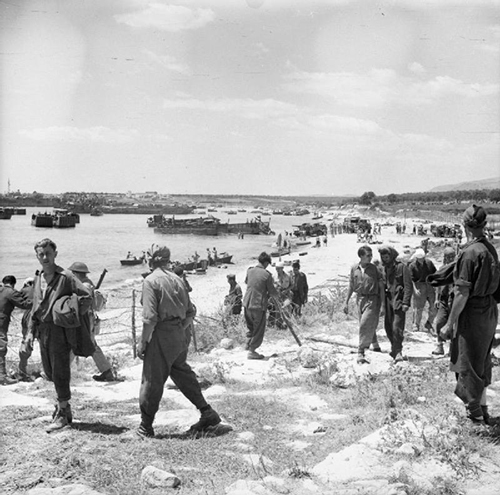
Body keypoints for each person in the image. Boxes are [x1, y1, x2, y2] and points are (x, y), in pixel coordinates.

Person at [137, 246, 221, 438]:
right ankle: (207, 411)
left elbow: (150, 318)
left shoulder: (150, 281)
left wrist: (143, 342)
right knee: (182, 373)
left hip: (161, 333)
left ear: (151, 261)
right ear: (168, 260)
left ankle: (145, 427)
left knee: (152, 380)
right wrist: (179, 330)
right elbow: (191, 312)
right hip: (179, 333)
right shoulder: (177, 279)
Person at [439, 205, 499, 425]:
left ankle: (475, 418)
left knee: (467, 365)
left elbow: (462, 293)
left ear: (464, 225)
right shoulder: (488, 248)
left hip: (472, 313)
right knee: (481, 362)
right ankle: (482, 411)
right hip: (489, 311)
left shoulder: (469, 253)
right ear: (483, 225)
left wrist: (450, 324)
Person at [29, 238, 92, 432]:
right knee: (49, 371)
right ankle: (63, 407)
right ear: (37, 256)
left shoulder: (66, 276)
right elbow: (35, 305)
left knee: (60, 371)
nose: (45, 257)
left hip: (59, 330)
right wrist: (30, 332)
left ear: (55, 254)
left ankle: (63, 413)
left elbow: (86, 297)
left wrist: (67, 312)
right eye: (41, 254)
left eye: (48, 253)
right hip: (43, 330)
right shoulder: (39, 276)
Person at [69, 262, 117, 382]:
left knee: (88, 345)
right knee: (76, 344)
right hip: (86, 318)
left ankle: (107, 372)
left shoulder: (84, 285)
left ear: (76, 273)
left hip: (85, 319)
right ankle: (60, 371)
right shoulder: (87, 284)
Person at [344, 246, 384, 364]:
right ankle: (375, 345)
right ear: (361, 256)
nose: (370, 258)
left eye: (371, 255)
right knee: (367, 323)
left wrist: (382, 305)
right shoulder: (354, 269)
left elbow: (381, 287)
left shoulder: (375, 269)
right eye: (368, 255)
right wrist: (345, 302)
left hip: (372, 299)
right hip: (360, 299)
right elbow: (351, 286)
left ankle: (361, 351)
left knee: (364, 323)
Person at [378, 245, 413, 362]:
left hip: (398, 301)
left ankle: (398, 351)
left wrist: (406, 302)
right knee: (388, 327)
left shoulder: (402, 267)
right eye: (383, 257)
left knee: (396, 327)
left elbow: (408, 286)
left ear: (391, 256)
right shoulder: (383, 269)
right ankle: (394, 347)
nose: (385, 259)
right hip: (388, 302)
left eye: (387, 257)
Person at [242, 252, 279, 360]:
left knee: (250, 326)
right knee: (259, 328)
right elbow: (272, 292)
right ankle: (252, 351)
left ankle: (248, 344)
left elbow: (247, 282)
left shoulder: (249, 271)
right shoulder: (267, 275)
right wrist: (277, 296)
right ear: (266, 262)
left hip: (247, 303)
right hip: (258, 305)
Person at [0, 275, 32, 385]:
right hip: (1, 322)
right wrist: (37, 301)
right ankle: (2, 376)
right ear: (13, 284)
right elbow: (24, 304)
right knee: (1, 348)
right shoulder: (11, 292)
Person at [427, 247, 456, 356]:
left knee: (453, 324)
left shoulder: (457, 268)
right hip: (443, 300)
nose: (449, 258)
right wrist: (436, 299)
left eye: (451, 256)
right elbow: (438, 285)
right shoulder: (443, 268)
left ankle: (452, 348)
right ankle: (440, 345)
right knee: (439, 322)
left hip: (453, 299)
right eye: (448, 256)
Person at [408, 248, 437, 333]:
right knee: (418, 308)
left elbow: (435, 273)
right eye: (420, 258)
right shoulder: (412, 266)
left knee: (434, 307)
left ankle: (429, 323)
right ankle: (415, 325)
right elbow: (411, 279)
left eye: (423, 258)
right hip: (419, 286)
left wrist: (435, 285)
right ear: (417, 258)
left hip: (429, 285)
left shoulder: (429, 263)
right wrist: (415, 290)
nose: (422, 260)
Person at [13, 278, 35, 381]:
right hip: (42, 315)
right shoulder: (40, 289)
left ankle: (22, 371)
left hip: (29, 316)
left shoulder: (23, 290)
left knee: (26, 341)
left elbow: (15, 300)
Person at [269, 262, 292, 329]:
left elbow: (292, 285)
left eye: (279, 269)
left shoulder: (288, 275)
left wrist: (287, 290)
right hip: (277, 294)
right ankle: (279, 325)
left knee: (286, 306)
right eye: (276, 269)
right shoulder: (274, 276)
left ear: (282, 268)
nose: (277, 270)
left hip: (286, 293)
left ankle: (287, 324)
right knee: (278, 309)